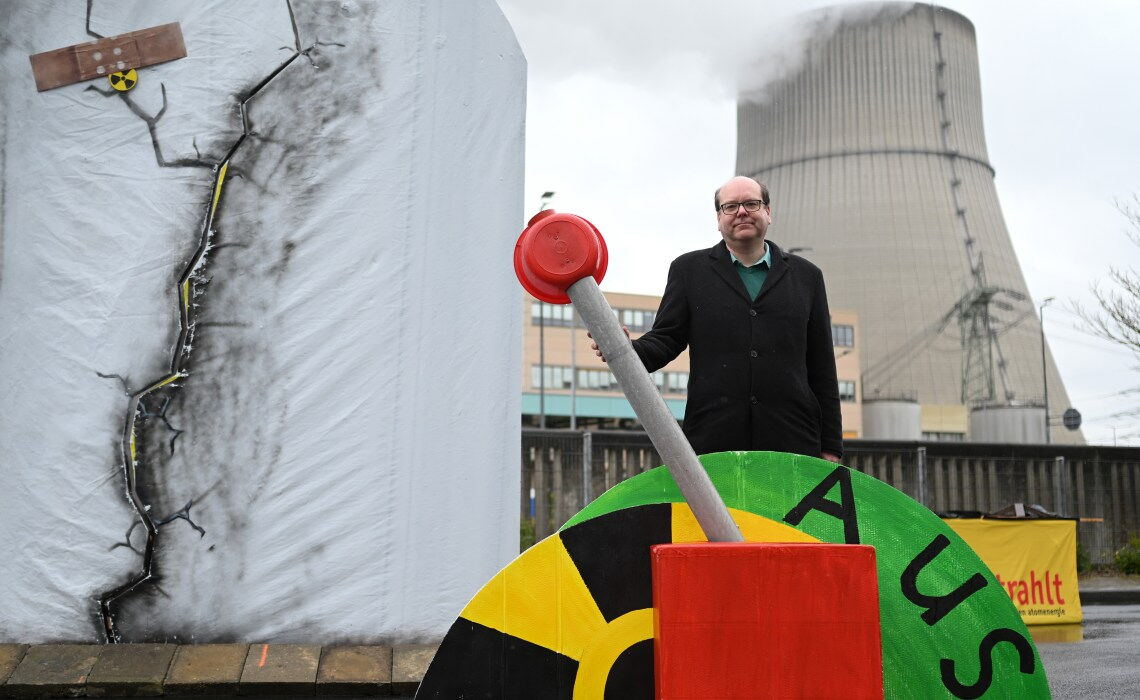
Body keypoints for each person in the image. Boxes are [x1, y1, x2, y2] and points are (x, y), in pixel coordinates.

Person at [592, 175, 842, 461]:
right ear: (718, 217)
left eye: (752, 203)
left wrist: (831, 446)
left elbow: (822, 366)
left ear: (768, 212)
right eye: (731, 206)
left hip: (791, 442)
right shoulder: (689, 271)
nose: (742, 212)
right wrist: (624, 349)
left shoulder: (807, 277)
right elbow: (666, 339)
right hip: (715, 440)